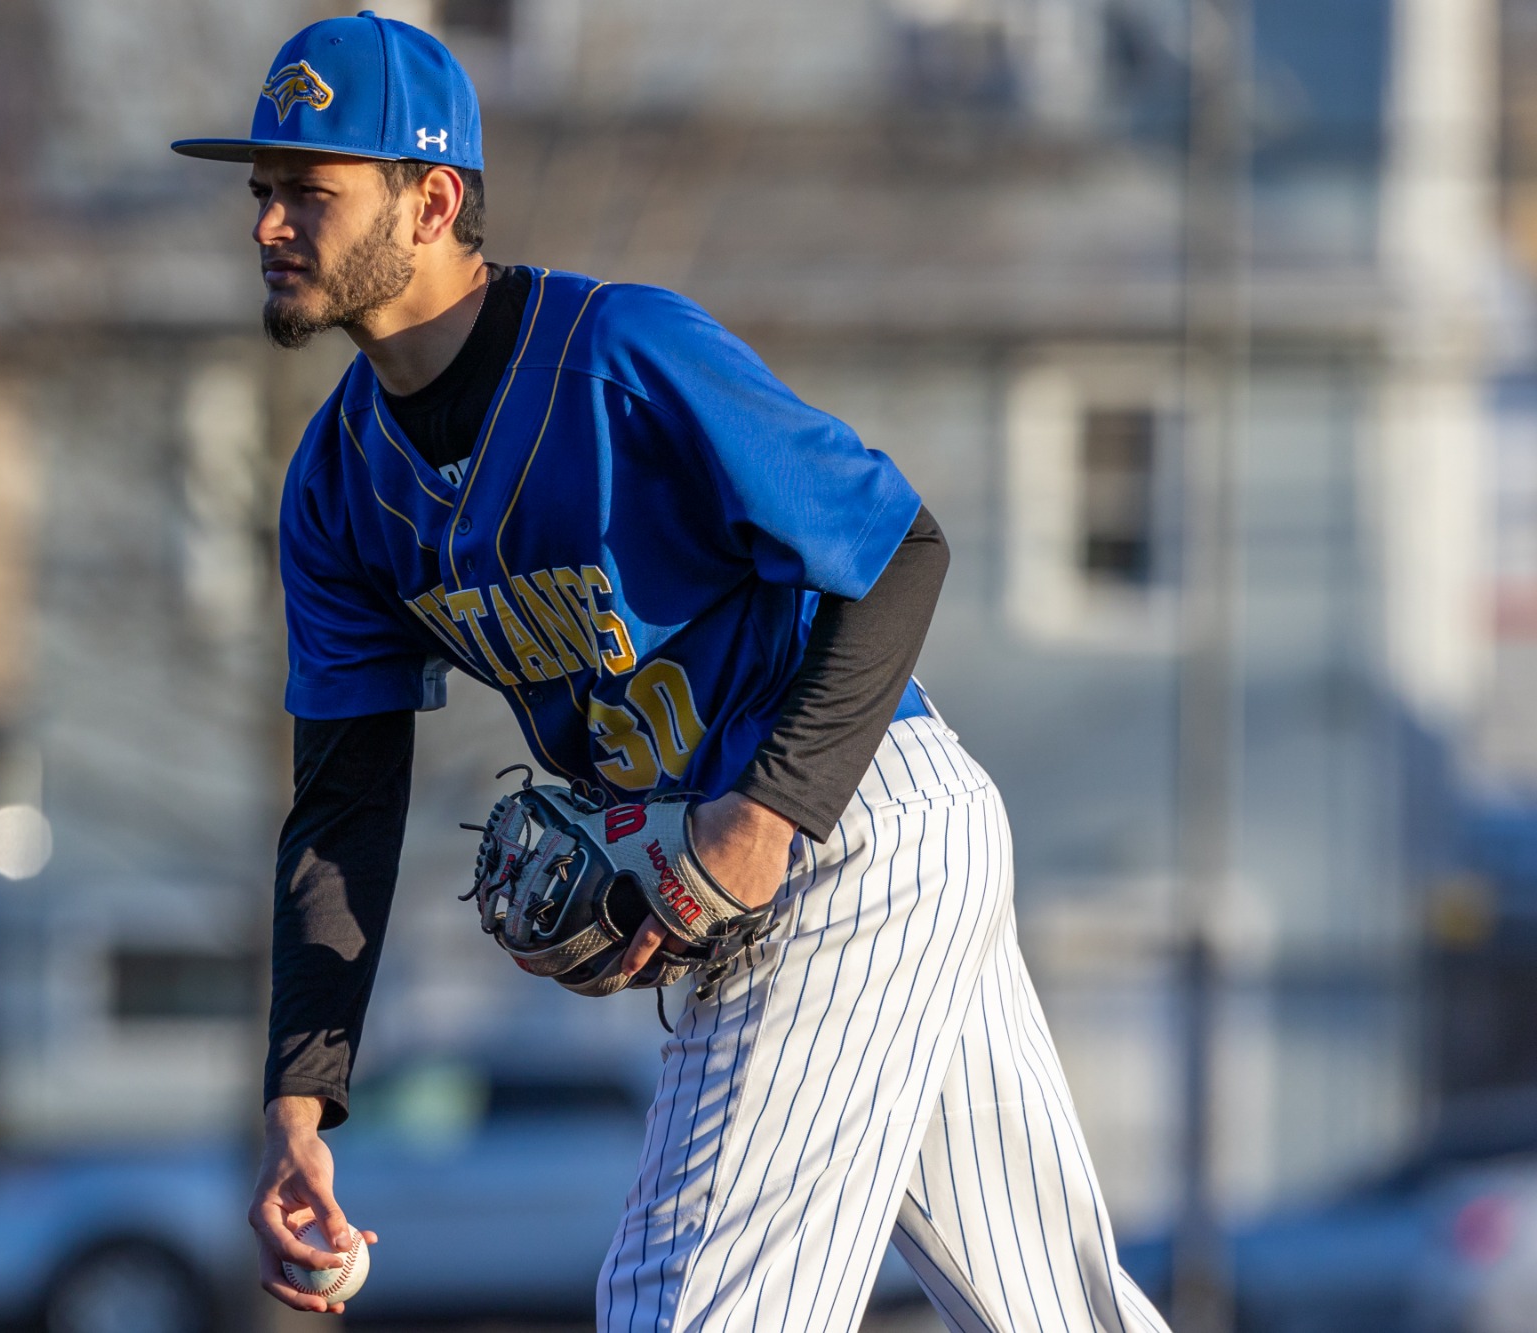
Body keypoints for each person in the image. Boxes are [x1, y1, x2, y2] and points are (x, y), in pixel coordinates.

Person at [173, 12, 1173, 1332]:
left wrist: (766, 820)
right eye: (262, 191)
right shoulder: (336, 488)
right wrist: (300, 1098)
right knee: (1056, 1308)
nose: (269, 225)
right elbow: (343, 802)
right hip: (795, 851)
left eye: (310, 189)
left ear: (432, 201)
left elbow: (900, 551)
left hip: (845, 821)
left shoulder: (620, 353)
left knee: (685, 1300)